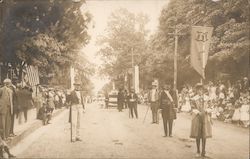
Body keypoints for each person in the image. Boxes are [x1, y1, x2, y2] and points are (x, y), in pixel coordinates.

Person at [190, 83, 212, 157]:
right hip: (197, 117)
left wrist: (206, 111)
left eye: (201, 89)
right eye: (198, 90)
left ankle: (203, 151)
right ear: (196, 90)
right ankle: (198, 151)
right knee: (197, 134)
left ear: (203, 90)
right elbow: (192, 107)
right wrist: (198, 112)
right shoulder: (194, 98)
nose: (200, 91)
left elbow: (210, 107)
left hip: (205, 117)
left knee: (204, 134)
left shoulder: (207, 98)